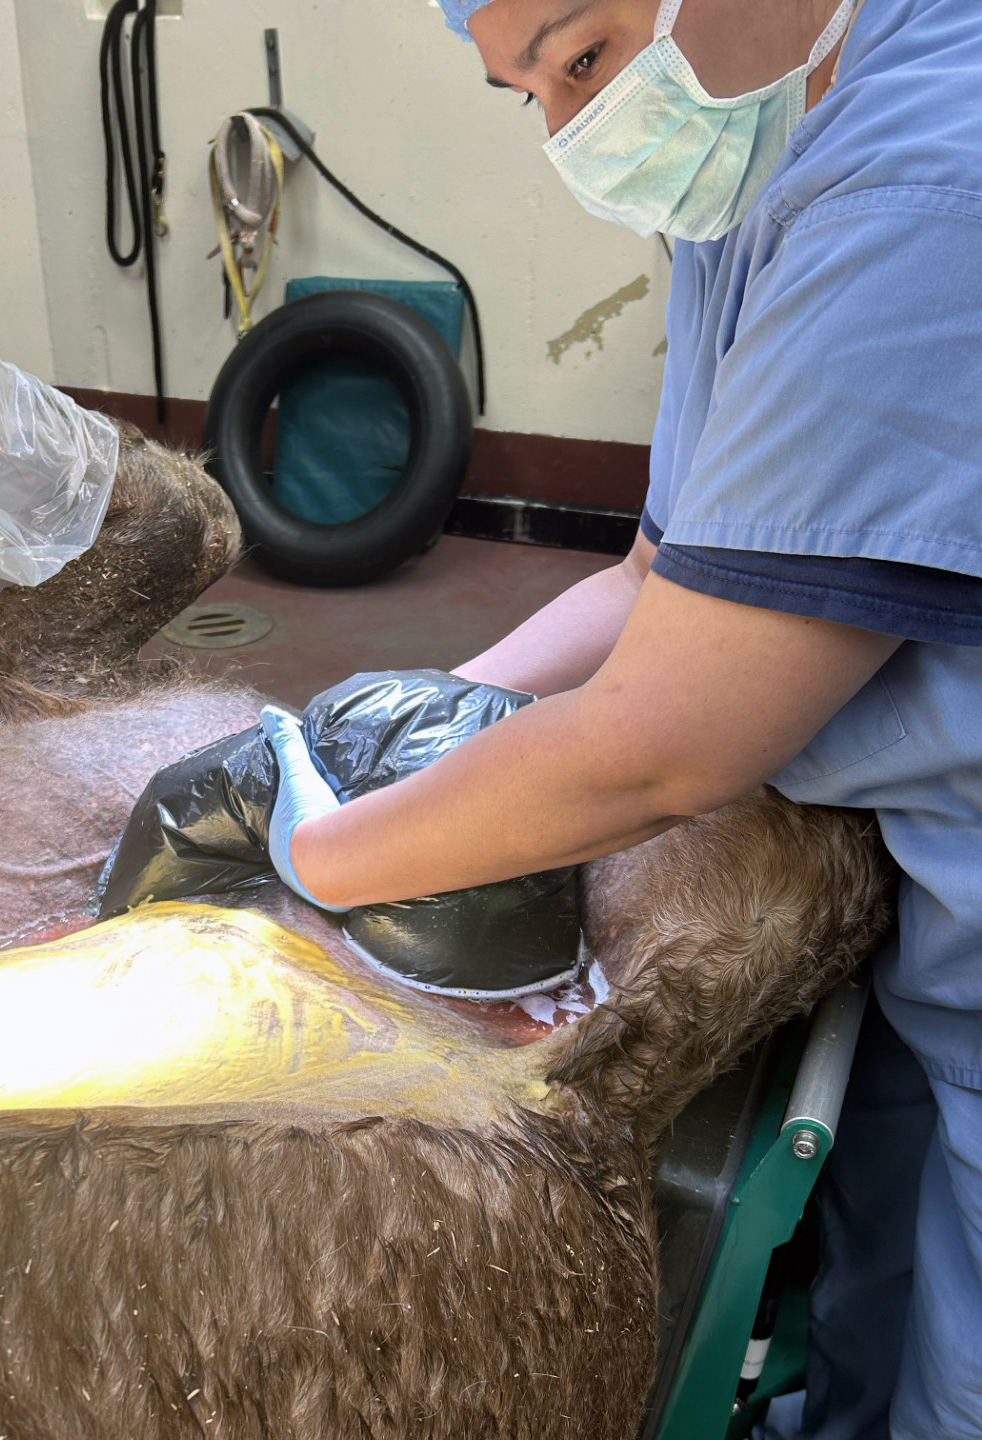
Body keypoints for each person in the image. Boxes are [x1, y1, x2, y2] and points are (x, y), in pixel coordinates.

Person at [255, 1, 982, 1436]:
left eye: (581, 57)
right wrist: (442, 709)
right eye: (524, 91)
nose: (574, 130)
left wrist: (312, 858)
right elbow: (661, 570)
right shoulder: (757, 150)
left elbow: (666, 742)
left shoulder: (924, 177)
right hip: (926, 881)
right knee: (869, 1259)